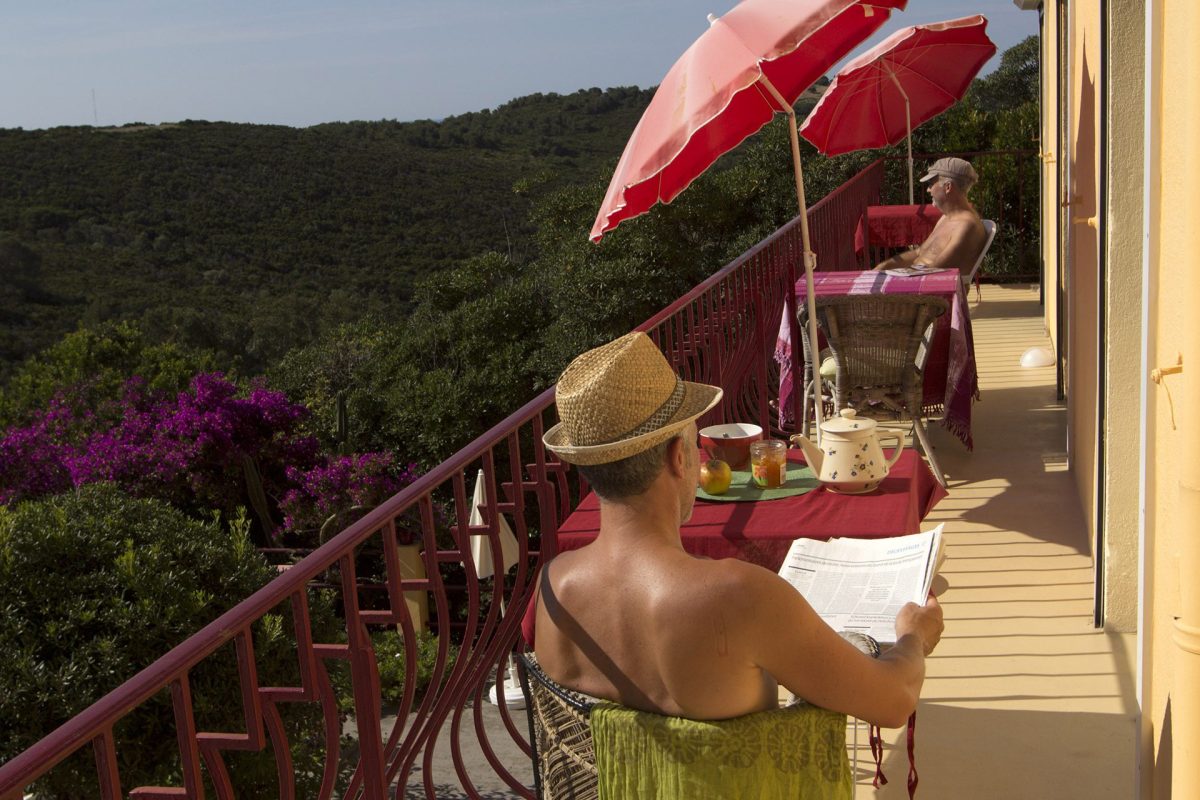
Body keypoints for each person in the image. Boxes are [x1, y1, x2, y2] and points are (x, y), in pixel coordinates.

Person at [532, 331, 943, 728]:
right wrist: (913, 638)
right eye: (695, 444)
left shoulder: (553, 590)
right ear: (679, 458)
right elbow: (893, 701)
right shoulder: (738, 596)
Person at [874, 156, 988, 273]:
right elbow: (919, 252)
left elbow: (936, 270)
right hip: (916, 279)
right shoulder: (947, 217)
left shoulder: (966, 226)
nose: (928, 190)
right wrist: (883, 266)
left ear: (948, 187)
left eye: (930, 184)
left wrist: (898, 276)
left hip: (932, 287)